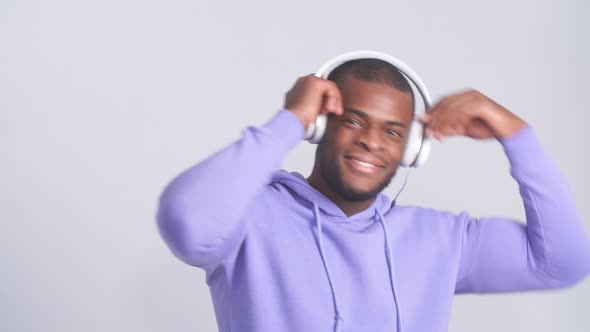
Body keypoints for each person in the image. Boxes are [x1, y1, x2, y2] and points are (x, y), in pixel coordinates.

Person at [156, 58, 590, 332]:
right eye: (354, 121)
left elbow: (563, 264)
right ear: (321, 126)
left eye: (393, 131)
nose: (372, 142)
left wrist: (516, 136)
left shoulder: (440, 239)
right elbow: (187, 224)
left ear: (412, 149)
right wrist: (289, 120)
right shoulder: (251, 216)